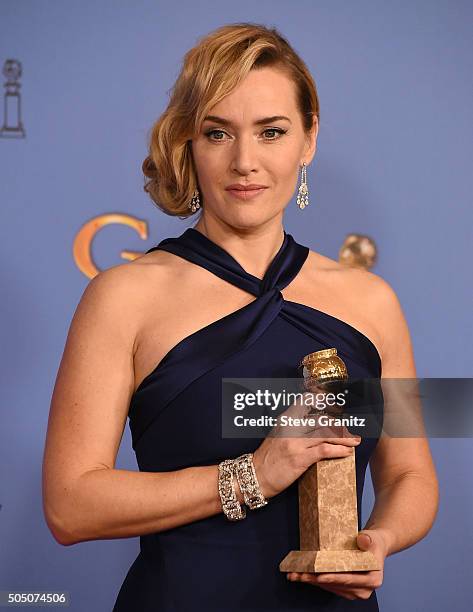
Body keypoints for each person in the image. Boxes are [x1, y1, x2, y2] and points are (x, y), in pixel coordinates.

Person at [42, 22, 439, 611]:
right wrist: (255, 473)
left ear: (308, 140)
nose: (245, 161)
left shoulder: (371, 303)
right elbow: (70, 506)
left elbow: (411, 476)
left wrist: (376, 542)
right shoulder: (124, 297)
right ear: (189, 144)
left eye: (272, 132)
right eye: (218, 132)